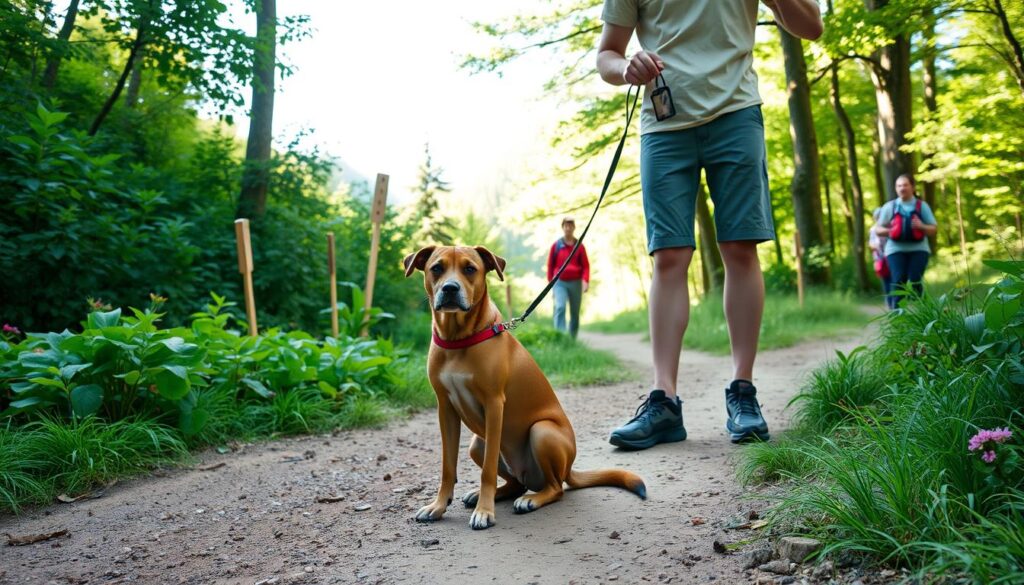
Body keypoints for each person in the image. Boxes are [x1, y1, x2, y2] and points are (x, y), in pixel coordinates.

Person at [596, 0, 823, 447]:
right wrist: (626, 68)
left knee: (740, 248)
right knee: (669, 256)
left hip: (736, 114)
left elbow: (811, 27)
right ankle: (664, 402)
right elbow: (606, 54)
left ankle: (743, 392)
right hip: (664, 127)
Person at [873, 174, 938, 309]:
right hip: (895, 250)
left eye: (905, 185)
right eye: (899, 186)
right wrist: (890, 230)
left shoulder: (922, 206)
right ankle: (897, 316)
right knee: (898, 281)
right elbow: (878, 229)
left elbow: (933, 229)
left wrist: (921, 226)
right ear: (896, 188)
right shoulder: (890, 207)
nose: (902, 188)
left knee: (915, 280)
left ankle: (923, 313)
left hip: (919, 249)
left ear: (912, 187)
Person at [546, 216, 590, 338]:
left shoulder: (580, 246)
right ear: (563, 228)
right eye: (566, 225)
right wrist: (551, 285)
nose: (568, 228)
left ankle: (572, 338)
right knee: (560, 307)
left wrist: (585, 281)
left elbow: (586, 266)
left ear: (574, 227)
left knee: (575, 313)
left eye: (570, 225)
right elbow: (550, 266)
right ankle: (561, 336)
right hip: (559, 282)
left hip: (575, 282)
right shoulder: (556, 246)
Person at [868, 207, 893, 307]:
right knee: (885, 280)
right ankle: (889, 300)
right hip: (880, 259)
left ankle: (894, 300)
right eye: (877, 217)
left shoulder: (890, 227)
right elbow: (871, 244)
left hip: (891, 257)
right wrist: (876, 246)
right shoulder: (873, 230)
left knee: (894, 279)